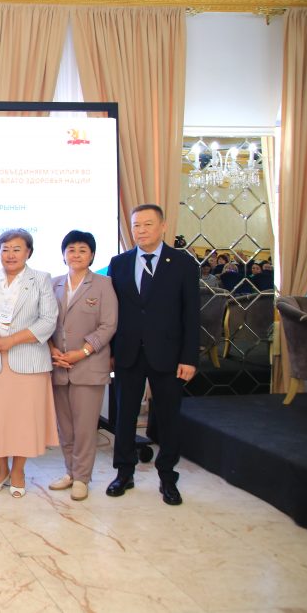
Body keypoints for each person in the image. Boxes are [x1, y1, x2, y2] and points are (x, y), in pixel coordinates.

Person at [107, 204, 199, 506]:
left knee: (168, 418)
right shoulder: (119, 263)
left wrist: (189, 358)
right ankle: (124, 472)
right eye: (136, 225)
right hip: (128, 353)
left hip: (169, 354)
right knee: (124, 416)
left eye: (148, 224)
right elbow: (113, 313)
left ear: (163, 226)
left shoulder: (183, 264)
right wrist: (110, 352)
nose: (141, 230)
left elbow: (191, 315)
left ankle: (168, 477)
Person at [0, 229, 59, 499]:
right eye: (5, 249)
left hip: (28, 361)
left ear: (28, 252)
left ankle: (19, 471)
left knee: (24, 420)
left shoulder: (41, 279)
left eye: (17, 249)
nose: (10, 255)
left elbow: (48, 320)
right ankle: (1, 470)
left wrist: (11, 341)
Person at [47, 230, 118, 501]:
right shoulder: (53, 284)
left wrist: (83, 351)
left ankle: (82, 478)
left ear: (92, 255)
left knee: (85, 428)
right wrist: (52, 349)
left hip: (88, 366)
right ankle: (70, 472)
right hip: (58, 365)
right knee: (65, 428)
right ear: (63, 254)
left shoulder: (103, 284)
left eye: (82, 250)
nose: (76, 255)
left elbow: (108, 325)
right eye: (71, 250)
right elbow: (45, 322)